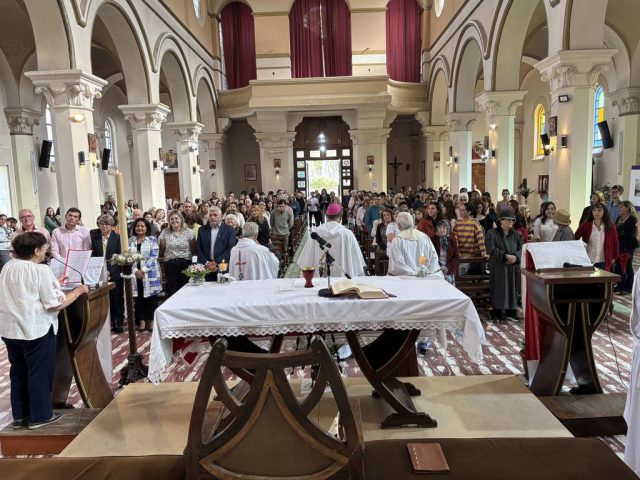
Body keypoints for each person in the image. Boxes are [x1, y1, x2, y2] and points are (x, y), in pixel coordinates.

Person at [0, 232, 88, 429]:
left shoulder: (8, 266)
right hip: (35, 329)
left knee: (18, 372)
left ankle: (20, 416)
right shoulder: (40, 270)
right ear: (36, 250)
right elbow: (55, 304)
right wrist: (78, 291)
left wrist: (56, 282)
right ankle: (39, 416)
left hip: (10, 330)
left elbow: (26, 289)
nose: (46, 251)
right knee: (39, 372)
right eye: (45, 248)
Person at [296, 203, 366, 277]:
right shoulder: (348, 234)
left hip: (319, 281)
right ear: (341, 217)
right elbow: (357, 263)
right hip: (343, 281)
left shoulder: (315, 233)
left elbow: (305, 261)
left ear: (326, 216)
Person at [485, 212, 523, 322]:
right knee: (499, 288)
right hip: (498, 266)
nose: (511, 222)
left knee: (513, 289)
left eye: (512, 220)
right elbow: (490, 248)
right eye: (508, 219)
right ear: (501, 220)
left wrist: (516, 257)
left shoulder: (517, 234)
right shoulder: (492, 233)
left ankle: (511, 312)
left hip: (513, 266)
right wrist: (505, 256)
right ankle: (497, 312)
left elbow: (522, 248)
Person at [90, 214, 125, 332]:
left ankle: (119, 322)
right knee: (107, 300)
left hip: (115, 273)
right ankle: (110, 322)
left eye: (107, 224)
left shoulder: (118, 238)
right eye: (102, 224)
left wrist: (110, 270)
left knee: (117, 299)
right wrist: (100, 270)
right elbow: (95, 256)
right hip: (101, 273)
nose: (104, 226)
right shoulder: (96, 239)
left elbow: (120, 257)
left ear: (111, 225)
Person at [129, 218, 162, 332]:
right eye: (137, 226)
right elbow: (128, 257)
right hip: (136, 275)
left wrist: (143, 270)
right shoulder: (130, 241)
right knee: (139, 299)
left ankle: (152, 321)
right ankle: (142, 321)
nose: (140, 228)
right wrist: (135, 270)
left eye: (142, 226)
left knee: (151, 299)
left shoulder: (152, 239)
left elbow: (154, 257)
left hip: (150, 274)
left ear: (147, 228)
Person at [387, 212, 441, 277]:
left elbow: (397, 264)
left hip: (406, 279)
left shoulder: (397, 240)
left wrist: (414, 274)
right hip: (425, 278)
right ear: (413, 222)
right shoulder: (425, 237)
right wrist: (425, 273)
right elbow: (433, 258)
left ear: (399, 225)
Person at [196, 206, 237, 281]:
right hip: (206, 268)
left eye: (215, 215)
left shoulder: (230, 230)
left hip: (223, 268)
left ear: (221, 216)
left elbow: (230, 249)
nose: (212, 217)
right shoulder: (202, 230)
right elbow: (198, 249)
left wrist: (216, 263)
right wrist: (207, 263)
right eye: (210, 215)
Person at [159, 211, 195, 297]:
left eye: (176, 218)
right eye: (171, 219)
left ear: (181, 219)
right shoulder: (165, 232)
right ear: (169, 220)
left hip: (185, 263)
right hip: (170, 263)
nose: (174, 220)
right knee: (172, 289)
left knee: (185, 288)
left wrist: (194, 264)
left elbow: (193, 249)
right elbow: (162, 249)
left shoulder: (189, 232)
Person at [574, 203, 619, 271]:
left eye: (599, 210)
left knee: (604, 278)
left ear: (604, 212)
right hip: (588, 261)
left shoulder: (611, 227)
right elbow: (575, 238)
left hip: (604, 262)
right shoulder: (585, 225)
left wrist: (614, 258)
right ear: (592, 212)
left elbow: (615, 243)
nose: (596, 212)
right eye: (594, 210)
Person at [453, 202, 487, 275]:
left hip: (470, 256)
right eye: (460, 210)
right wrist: (457, 252)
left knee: (460, 273)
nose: (460, 212)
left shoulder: (474, 222)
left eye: (463, 210)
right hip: (459, 255)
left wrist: (484, 254)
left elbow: (480, 239)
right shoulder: (457, 222)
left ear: (469, 212)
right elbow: (455, 240)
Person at [614, 201, 638, 294]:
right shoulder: (619, 218)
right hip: (619, 245)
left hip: (628, 246)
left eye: (621, 207)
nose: (619, 209)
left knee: (627, 266)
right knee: (618, 266)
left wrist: (620, 236)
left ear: (627, 208)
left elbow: (631, 234)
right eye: (619, 207)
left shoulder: (632, 219)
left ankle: (627, 288)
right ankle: (620, 285)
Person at [433, 220, 459, 285]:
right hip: (437, 269)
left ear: (447, 229)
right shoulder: (433, 239)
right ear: (437, 229)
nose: (442, 229)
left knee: (449, 289)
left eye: (444, 227)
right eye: (440, 227)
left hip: (449, 269)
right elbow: (432, 256)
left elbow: (456, 257)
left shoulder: (452, 240)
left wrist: (447, 267)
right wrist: (440, 267)